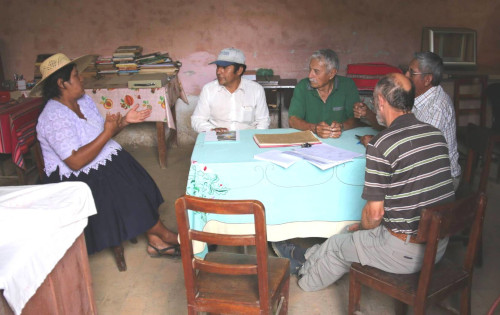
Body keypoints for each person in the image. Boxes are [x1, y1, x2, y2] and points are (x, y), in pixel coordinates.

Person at [273, 73, 455, 292]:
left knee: (341, 243)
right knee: (342, 238)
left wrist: (362, 229)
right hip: (439, 245)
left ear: (380, 102)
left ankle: (305, 276)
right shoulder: (435, 134)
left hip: (405, 251)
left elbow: (374, 216)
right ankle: (308, 257)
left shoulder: (381, 144)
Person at [33, 53, 180, 260]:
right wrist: (108, 132)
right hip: (73, 176)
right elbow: (75, 162)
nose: (82, 79)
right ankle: (164, 235)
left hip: (95, 163)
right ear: (61, 83)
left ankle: (156, 241)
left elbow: (101, 137)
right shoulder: (53, 117)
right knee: (122, 185)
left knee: (133, 177)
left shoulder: (83, 101)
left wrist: (125, 122)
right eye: (76, 76)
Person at [354, 52, 461, 190]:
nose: (406, 75)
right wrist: (368, 114)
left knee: (379, 184)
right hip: (419, 168)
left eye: (412, 73)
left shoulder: (436, 108)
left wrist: (376, 147)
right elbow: (395, 127)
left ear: (427, 79)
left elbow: (416, 155)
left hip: (439, 179)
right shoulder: (417, 96)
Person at [191, 47, 270, 133]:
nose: (218, 71)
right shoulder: (208, 90)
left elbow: (263, 121)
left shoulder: (256, 90)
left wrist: (254, 140)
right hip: (218, 139)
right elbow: (197, 119)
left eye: (224, 68)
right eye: (218, 67)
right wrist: (211, 130)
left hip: (247, 139)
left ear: (239, 70)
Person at [288, 49, 363, 139]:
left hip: (342, 141)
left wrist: (341, 127)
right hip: (311, 141)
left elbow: (356, 119)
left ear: (331, 73)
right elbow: (292, 121)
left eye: (316, 71)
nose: (310, 75)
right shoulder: (302, 86)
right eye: (310, 69)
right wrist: (314, 128)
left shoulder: (347, 85)